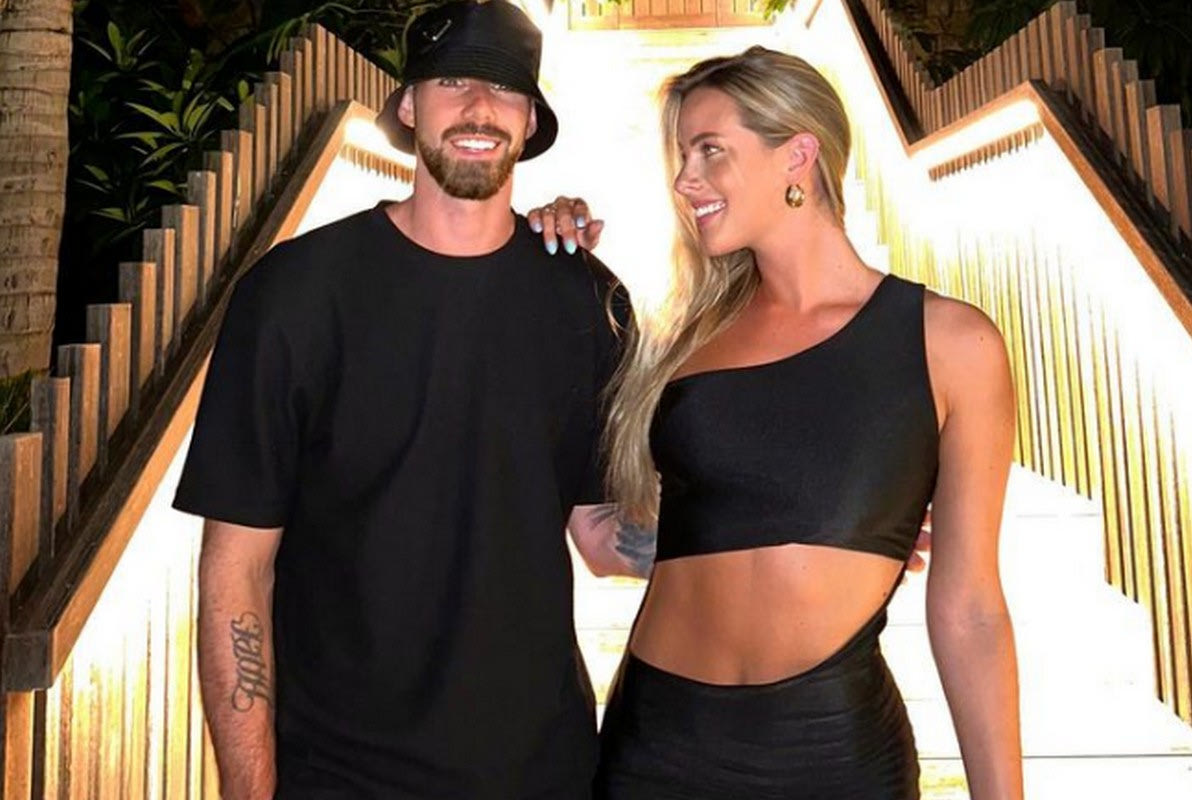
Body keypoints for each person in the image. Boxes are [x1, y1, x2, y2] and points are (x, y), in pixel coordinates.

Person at [171, 2, 646, 797]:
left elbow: (602, 534)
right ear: (409, 106)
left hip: (539, 770)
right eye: (452, 81)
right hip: (341, 773)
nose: (479, 108)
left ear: (530, 120)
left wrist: (779, 531)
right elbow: (235, 572)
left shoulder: (589, 302)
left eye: (504, 88)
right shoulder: (293, 297)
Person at [549, 46, 1022, 799]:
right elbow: (610, 544)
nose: (684, 179)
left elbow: (970, 609)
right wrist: (543, 257)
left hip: (831, 749)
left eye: (710, 150)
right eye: (682, 156)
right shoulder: (684, 344)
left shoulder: (951, 343)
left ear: (798, 154)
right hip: (659, 746)